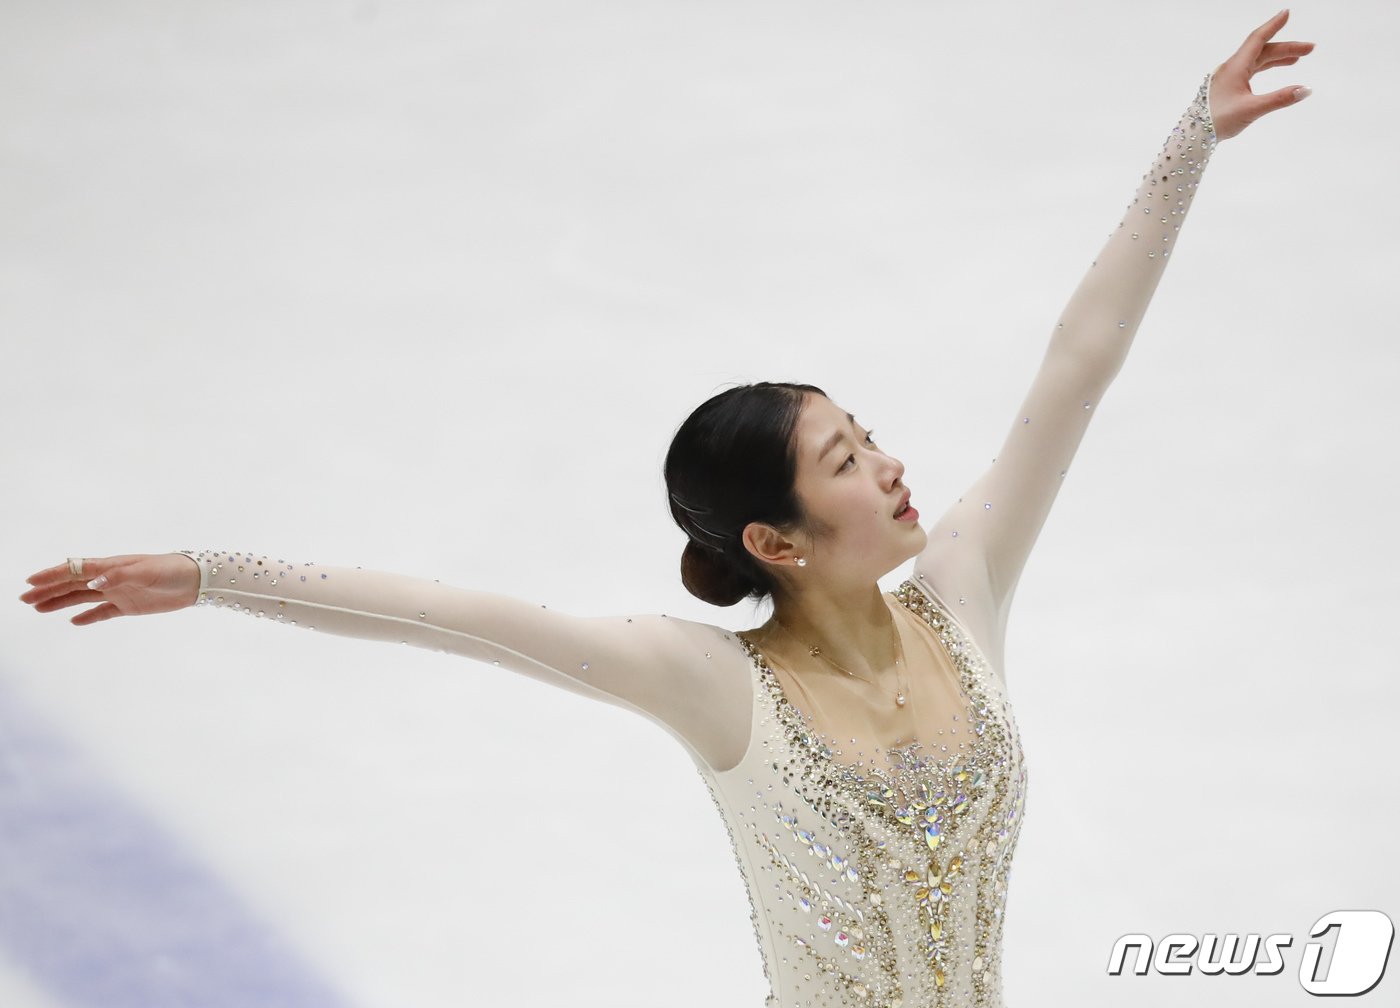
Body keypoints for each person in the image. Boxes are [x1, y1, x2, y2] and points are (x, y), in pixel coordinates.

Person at [19, 11, 1313, 1008]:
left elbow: (1076, 363)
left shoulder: (963, 589)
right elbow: (444, 615)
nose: (892, 467)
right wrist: (208, 571)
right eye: (848, 460)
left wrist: (1190, 138)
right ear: (776, 540)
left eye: (869, 440)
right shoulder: (716, 686)